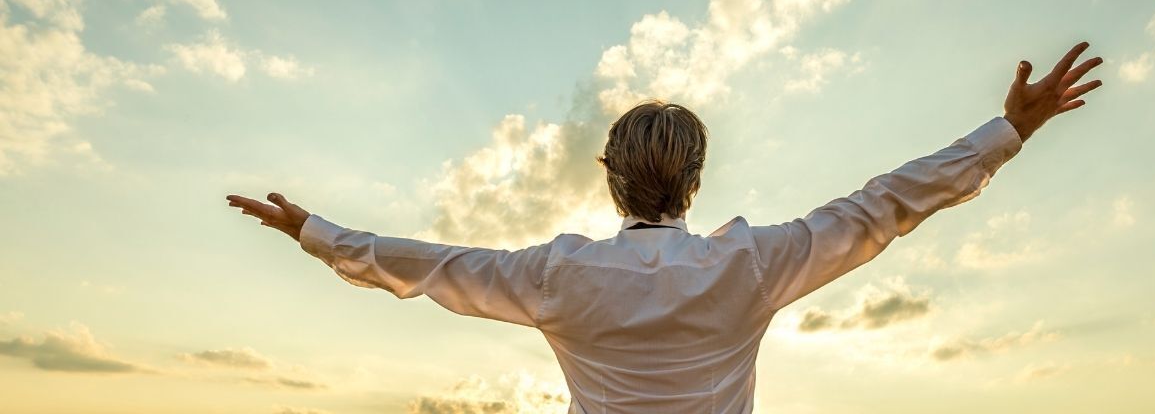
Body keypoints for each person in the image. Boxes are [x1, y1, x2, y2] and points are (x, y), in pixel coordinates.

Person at [228, 41, 1102, 413]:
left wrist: (317, 232)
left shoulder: (558, 278)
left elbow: (431, 264)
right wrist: (1010, 131)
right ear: (695, 180)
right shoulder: (752, 264)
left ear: (610, 179)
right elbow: (884, 207)